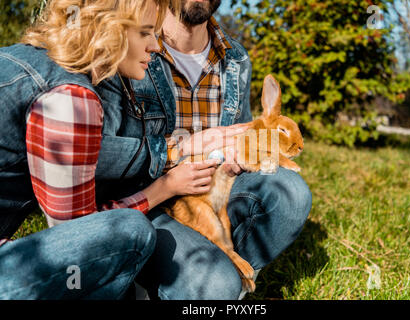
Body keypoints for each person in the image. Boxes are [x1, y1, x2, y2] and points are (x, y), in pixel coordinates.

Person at [0, 0, 244, 299]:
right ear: (108, 30)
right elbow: (83, 234)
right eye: (145, 33)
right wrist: (164, 188)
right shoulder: (72, 99)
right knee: (131, 231)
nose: (155, 47)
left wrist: (175, 150)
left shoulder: (20, 58)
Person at [95, 0, 313, 299]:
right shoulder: (134, 44)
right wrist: (176, 153)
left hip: (216, 189)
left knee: (291, 193)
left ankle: (231, 274)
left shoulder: (235, 58)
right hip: (152, 198)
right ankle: (167, 278)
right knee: (214, 285)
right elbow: (102, 153)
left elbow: (243, 131)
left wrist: (240, 155)